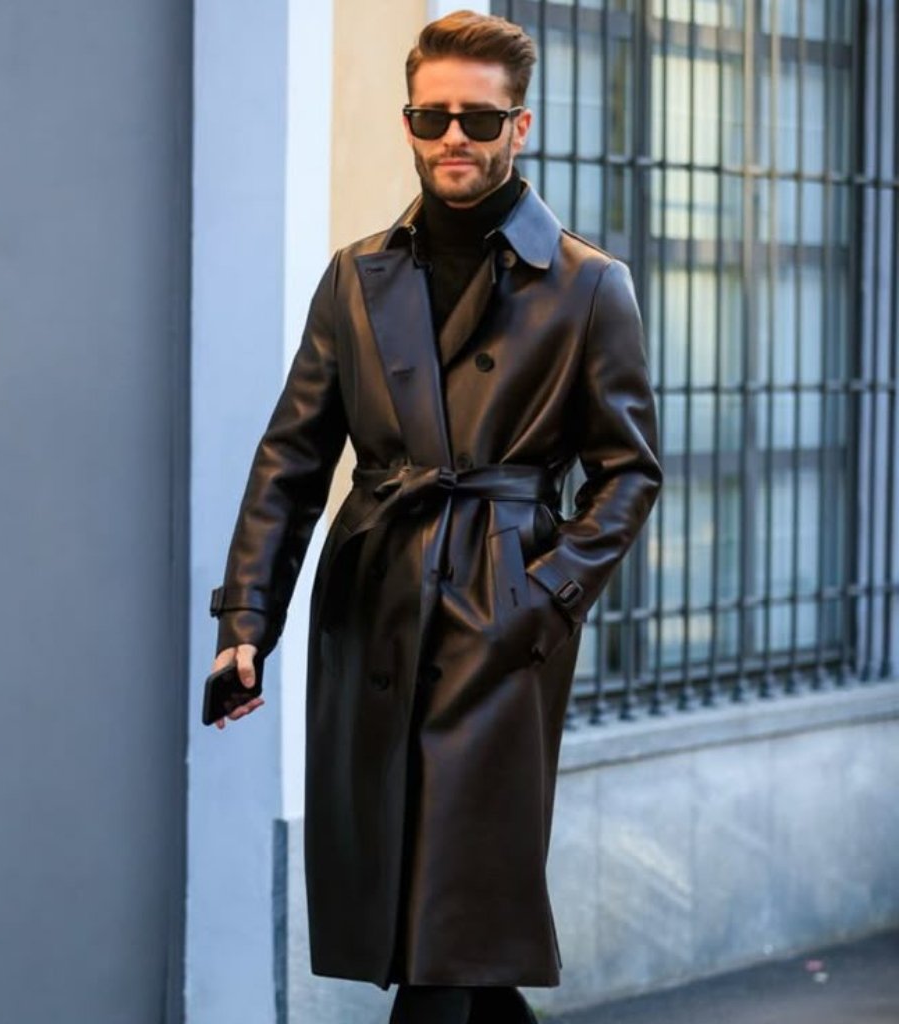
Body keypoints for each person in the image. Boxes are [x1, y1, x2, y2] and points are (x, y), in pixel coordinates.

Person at [207, 10, 662, 1023]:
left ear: (520, 126)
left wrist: (544, 594)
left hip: (498, 620)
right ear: (409, 123)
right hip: (374, 605)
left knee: (448, 914)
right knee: (447, 927)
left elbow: (627, 472)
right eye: (431, 115)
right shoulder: (357, 276)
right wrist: (246, 623)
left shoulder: (588, 287)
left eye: (478, 118)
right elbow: (292, 457)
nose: (454, 136)